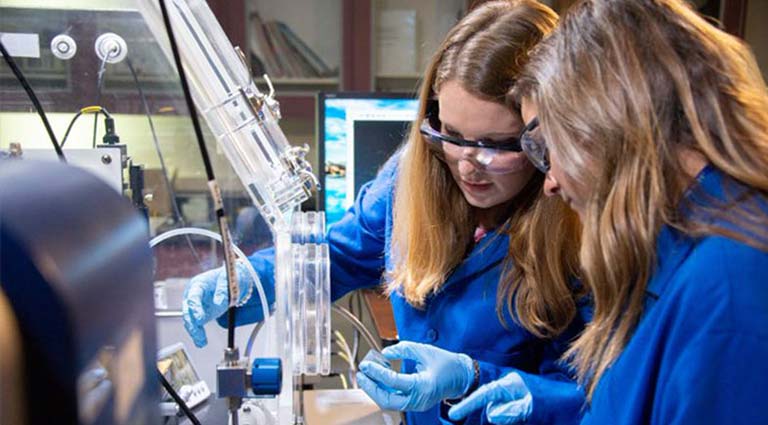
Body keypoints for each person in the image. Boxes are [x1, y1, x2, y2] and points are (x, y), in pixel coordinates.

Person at [183, 1, 588, 424]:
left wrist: (479, 380)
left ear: (545, 133)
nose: (467, 164)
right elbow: (336, 256)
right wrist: (251, 280)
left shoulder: (582, 222)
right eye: (451, 135)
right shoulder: (412, 175)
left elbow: (606, 396)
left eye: (494, 143)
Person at [459, 0, 768, 423]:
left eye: (550, 148)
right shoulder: (676, 253)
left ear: (607, 122)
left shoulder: (730, 282)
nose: (550, 183)